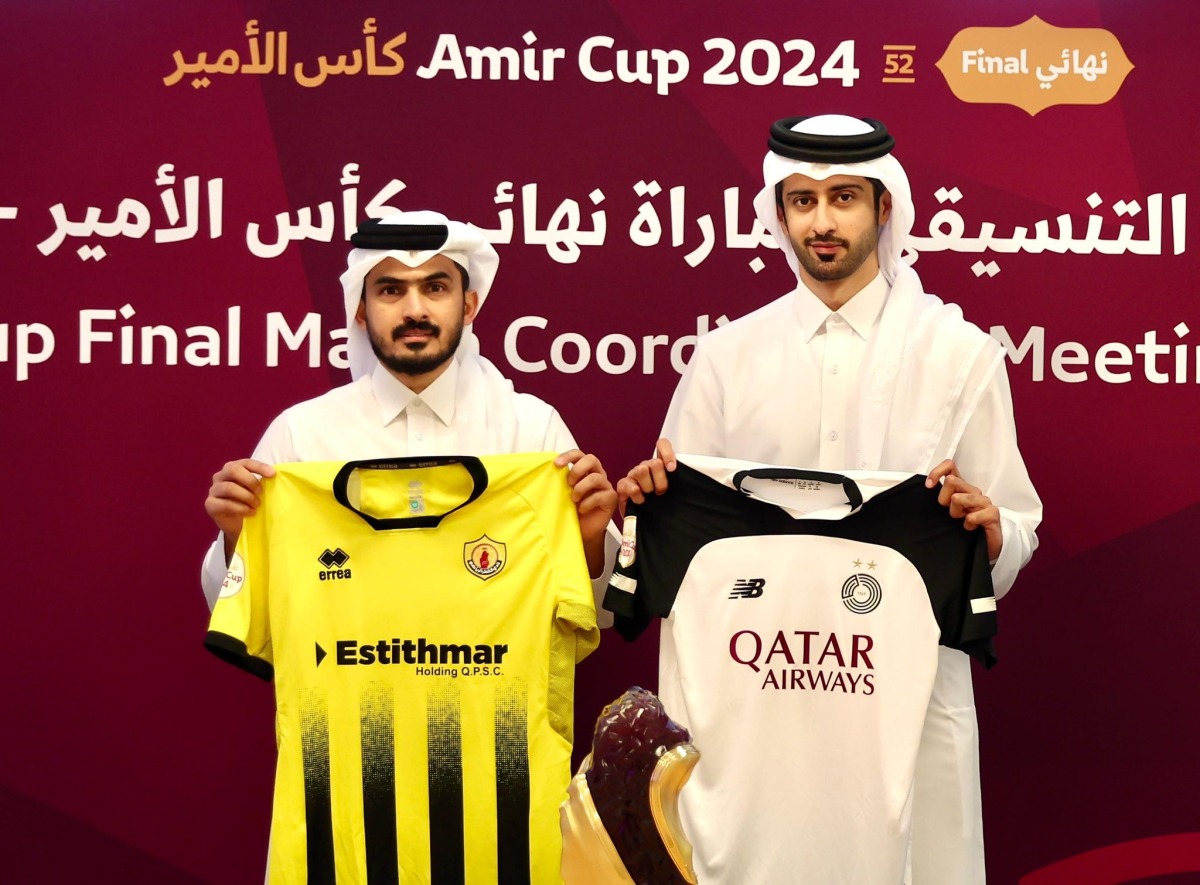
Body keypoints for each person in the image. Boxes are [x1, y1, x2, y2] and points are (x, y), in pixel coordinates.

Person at [618, 115, 1042, 883]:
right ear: (777, 215)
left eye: (844, 197)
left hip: (908, 694)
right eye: (802, 200)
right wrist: (645, 505)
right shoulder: (726, 359)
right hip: (756, 694)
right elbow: (677, 545)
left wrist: (990, 535)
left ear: (885, 208)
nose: (822, 220)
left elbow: (1016, 524)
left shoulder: (957, 355)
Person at [202, 209, 619, 617]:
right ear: (361, 312)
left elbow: (600, 614)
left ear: (469, 306)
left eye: (435, 288)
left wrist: (590, 540)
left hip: (497, 687)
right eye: (391, 290)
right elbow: (240, 612)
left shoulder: (532, 429)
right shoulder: (303, 434)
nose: (414, 311)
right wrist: (236, 535)